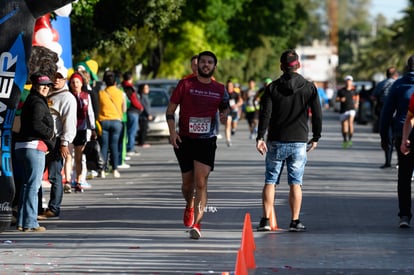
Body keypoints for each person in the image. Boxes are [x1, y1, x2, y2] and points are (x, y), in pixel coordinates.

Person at [255, 49, 322, 232]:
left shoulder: (272, 88)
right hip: (299, 141)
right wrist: (316, 137)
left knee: (270, 180)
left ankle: (266, 220)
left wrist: (260, 137)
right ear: (298, 65)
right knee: (295, 182)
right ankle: (295, 221)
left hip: (276, 140)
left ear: (281, 67)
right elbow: (317, 115)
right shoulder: (309, 87)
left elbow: (265, 114)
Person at [166, 51, 230, 239]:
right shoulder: (185, 84)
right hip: (184, 139)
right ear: (197, 65)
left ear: (214, 66)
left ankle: (198, 224)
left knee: (200, 182)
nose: (206, 65)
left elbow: (225, 105)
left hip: (206, 140)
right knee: (187, 185)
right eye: (203, 62)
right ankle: (189, 205)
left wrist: (224, 113)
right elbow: (170, 110)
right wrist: (172, 132)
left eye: (210, 62)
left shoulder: (220, 88)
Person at [14, 73, 55, 232]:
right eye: (42, 85)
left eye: (47, 85)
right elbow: (37, 125)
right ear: (35, 86)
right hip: (34, 147)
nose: (45, 88)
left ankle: (22, 222)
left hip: (22, 147)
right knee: (33, 186)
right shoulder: (37, 102)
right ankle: (30, 223)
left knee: (26, 185)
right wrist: (50, 134)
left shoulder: (30, 100)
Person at [380, 55, 414, 228]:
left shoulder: (398, 85)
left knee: (404, 177)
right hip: (405, 133)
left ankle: (405, 215)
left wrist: (384, 137)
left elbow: (386, 113)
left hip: (403, 135)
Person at [40, 66, 77, 219]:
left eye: (60, 77)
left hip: (57, 142)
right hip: (42, 140)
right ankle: (37, 207)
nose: (56, 80)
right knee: (36, 176)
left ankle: (54, 208)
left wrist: (64, 142)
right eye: (54, 76)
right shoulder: (47, 93)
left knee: (55, 176)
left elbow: (69, 122)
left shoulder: (67, 98)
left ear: (65, 79)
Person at [68, 72, 97, 191]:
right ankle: (68, 181)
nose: (75, 84)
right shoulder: (68, 96)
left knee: (79, 158)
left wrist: (93, 129)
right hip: (69, 129)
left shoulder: (86, 96)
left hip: (81, 129)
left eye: (77, 82)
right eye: (73, 82)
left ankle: (79, 180)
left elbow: (90, 113)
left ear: (81, 83)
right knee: (68, 157)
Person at [98, 70, 125, 178]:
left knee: (103, 146)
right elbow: (124, 109)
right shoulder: (120, 93)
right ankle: (115, 169)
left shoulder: (101, 93)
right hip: (116, 121)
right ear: (115, 82)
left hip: (103, 121)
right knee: (114, 146)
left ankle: (102, 170)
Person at [372, 67, 399, 168]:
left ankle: (388, 161)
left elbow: (373, 96)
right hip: (399, 114)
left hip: (385, 113)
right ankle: (400, 161)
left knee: (387, 138)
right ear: (396, 75)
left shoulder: (381, 84)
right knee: (399, 138)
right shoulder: (400, 83)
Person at [122, 72, 144, 155]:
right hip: (133, 111)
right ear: (131, 78)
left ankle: (128, 147)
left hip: (126, 111)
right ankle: (130, 148)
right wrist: (140, 107)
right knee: (132, 131)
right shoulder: (129, 87)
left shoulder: (122, 86)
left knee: (127, 131)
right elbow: (133, 99)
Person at [336, 75, 359, 149]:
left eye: (350, 81)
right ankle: (345, 139)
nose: (349, 82)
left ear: (352, 82)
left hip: (351, 109)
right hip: (343, 110)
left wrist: (356, 103)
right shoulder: (341, 91)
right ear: (345, 82)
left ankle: (350, 139)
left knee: (350, 123)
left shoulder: (354, 90)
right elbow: (336, 99)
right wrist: (340, 100)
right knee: (344, 127)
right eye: (347, 81)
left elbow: (357, 98)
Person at [225, 79, 243, 147]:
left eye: (230, 85)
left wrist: (236, 105)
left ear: (232, 86)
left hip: (234, 111)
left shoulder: (236, 93)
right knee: (228, 124)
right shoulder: (224, 93)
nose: (229, 86)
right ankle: (228, 140)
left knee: (234, 124)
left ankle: (233, 129)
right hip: (227, 111)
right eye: (228, 85)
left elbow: (241, 101)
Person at [137, 84, 153, 148]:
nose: (147, 89)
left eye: (148, 88)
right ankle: (142, 142)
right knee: (143, 129)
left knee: (143, 129)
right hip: (143, 116)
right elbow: (144, 106)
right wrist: (148, 114)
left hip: (143, 115)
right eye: (146, 88)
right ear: (142, 89)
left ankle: (141, 142)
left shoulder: (145, 96)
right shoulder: (143, 97)